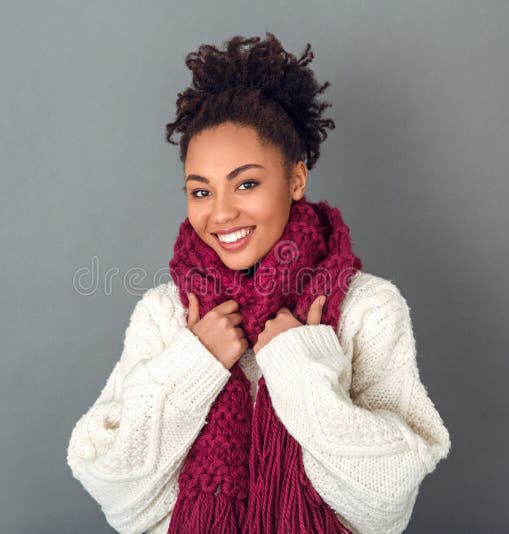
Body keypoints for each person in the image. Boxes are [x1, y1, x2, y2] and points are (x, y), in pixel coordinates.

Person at [67, 32, 451, 534]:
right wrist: (193, 364)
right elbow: (111, 483)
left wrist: (299, 363)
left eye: (246, 183)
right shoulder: (167, 314)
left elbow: (386, 501)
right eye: (200, 191)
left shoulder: (367, 308)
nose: (221, 212)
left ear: (295, 179)